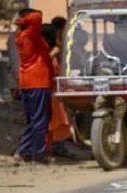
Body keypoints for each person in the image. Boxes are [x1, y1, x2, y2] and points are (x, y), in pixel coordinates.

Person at [14, 8, 53, 164]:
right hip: (38, 81)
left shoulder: (21, 36)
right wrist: (25, 18)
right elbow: (36, 17)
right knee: (39, 120)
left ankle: (24, 151)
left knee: (33, 120)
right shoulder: (30, 34)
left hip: (27, 82)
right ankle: (39, 155)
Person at [42, 17, 73, 159]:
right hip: (48, 88)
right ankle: (51, 148)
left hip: (56, 88)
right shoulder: (47, 51)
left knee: (59, 119)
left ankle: (58, 146)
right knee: (51, 120)